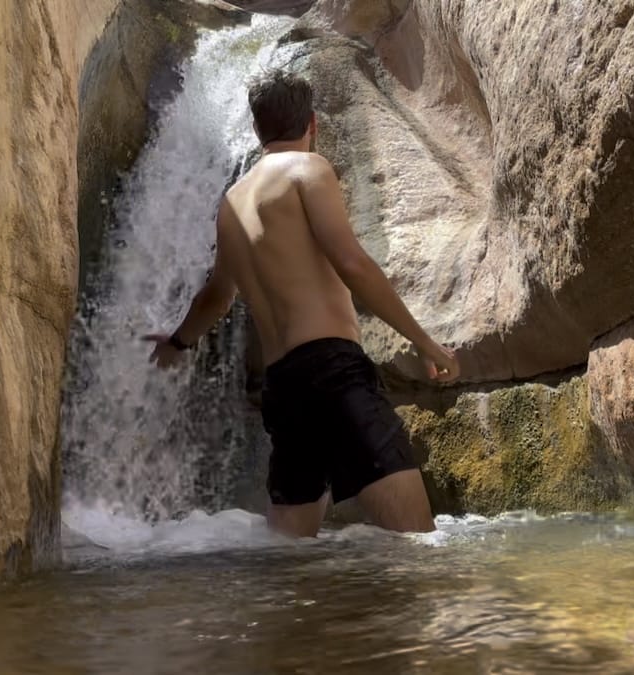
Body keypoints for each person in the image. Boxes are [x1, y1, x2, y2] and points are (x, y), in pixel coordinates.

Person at [144, 68, 459, 538]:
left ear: (256, 128)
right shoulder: (308, 169)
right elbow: (351, 263)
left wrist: (178, 341)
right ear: (313, 124)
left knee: (290, 556)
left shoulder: (231, 203)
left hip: (284, 390)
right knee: (418, 543)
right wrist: (425, 342)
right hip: (332, 372)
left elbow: (217, 294)